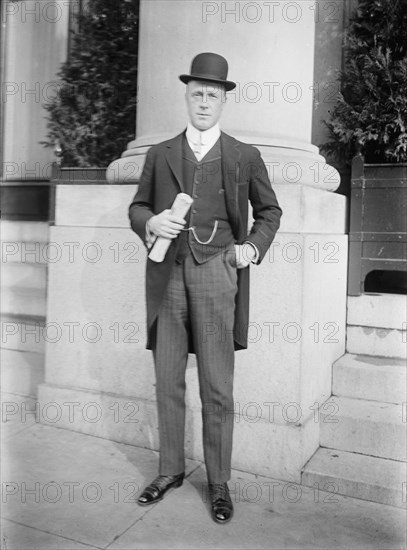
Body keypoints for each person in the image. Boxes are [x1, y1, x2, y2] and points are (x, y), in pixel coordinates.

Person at [128, 52, 282, 524]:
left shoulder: (243, 155)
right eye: (196, 93)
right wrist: (149, 220)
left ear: (223, 101)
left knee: (217, 385)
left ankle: (218, 482)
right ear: (186, 96)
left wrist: (250, 249)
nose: (203, 102)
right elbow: (136, 208)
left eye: (212, 95)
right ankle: (170, 469)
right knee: (168, 379)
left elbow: (270, 212)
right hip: (169, 276)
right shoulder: (160, 153)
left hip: (218, 273)